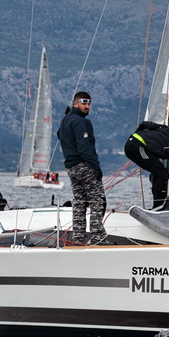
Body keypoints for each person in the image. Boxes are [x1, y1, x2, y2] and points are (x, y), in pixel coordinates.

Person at [56, 92, 107, 245]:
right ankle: (97, 236)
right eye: (84, 103)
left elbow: (60, 135)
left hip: (71, 168)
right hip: (84, 165)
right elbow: (84, 148)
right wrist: (96, 167)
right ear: (75, 103)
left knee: (79, 201)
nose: (87, 107)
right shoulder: (80, 122)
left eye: (89, 103)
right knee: (97, 200)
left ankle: (78, 237)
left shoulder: (65, 120)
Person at [124, 121, 169, 209]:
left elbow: (144, 124)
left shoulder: (166, 130)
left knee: (158, 171)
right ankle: (159, 207)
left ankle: (157, 205)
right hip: (138, 147)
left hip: (131, 141)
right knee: (162, 174)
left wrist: (138, 134)